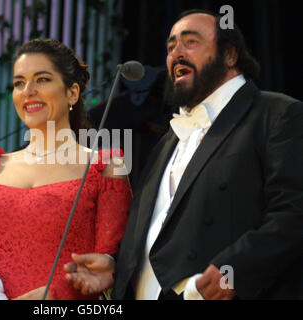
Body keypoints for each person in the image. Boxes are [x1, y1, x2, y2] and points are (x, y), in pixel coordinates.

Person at [64, 9, 303, 300]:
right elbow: (161, 237)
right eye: (170, 46)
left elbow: (294, 212)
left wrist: (236, 269)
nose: (176, 52)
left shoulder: (277, 114)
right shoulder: (168, 141)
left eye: (190, 42)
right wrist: (118, 271)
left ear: (229, 55)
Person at [0, 39, 133, 300]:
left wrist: (55, 295)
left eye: (42, 79)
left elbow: (116, 269)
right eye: (19, 83)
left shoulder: (105, 167)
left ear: (72, 93)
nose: (28, 90)